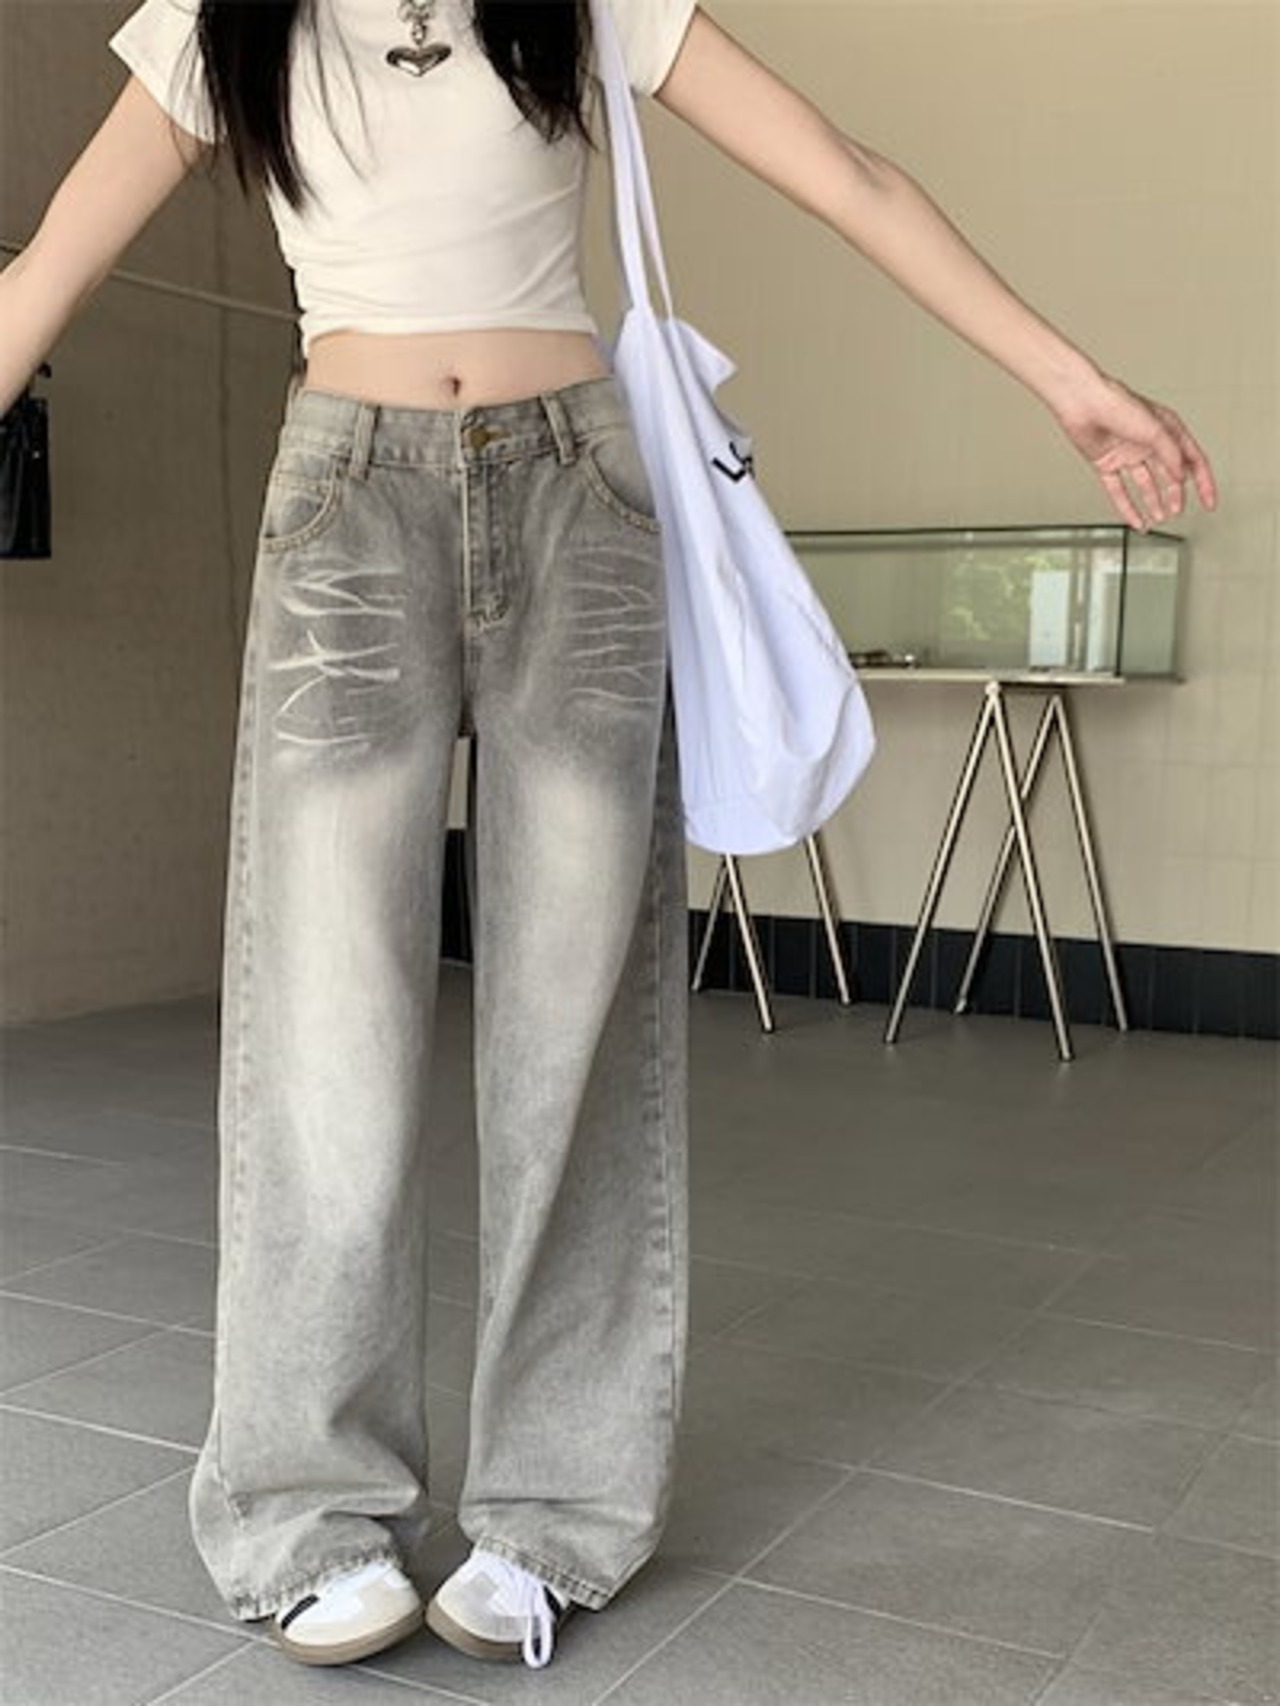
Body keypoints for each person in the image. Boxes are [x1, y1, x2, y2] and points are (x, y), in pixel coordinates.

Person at [0, 0, 1217, 1676]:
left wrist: (1072, 383)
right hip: (348, 503)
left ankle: (553, 1512)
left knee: (574, 1028)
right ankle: (306, 1509)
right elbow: (46, 270)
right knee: (323, 1037)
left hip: (581, 492)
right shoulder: (225, 20)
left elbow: (851, 176)